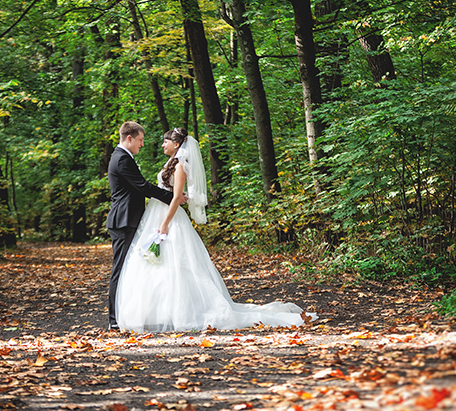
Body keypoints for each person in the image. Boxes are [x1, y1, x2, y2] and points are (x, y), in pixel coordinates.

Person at [115, 127, 317, 332]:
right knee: (161, 266)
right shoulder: (171, 163)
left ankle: (181, 311)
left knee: (177, 265)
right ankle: (158, 312)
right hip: (157, 214)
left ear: (176, 144)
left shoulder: (180, 166)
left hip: (169, 218)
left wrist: (165, 223)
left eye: (165, 141)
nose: (162, 144)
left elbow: (176, 197)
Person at [106, 121, 180, 331]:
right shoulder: (121, 159)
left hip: (128, 219)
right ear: (129, 138)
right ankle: (114, 319)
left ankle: (122, 314)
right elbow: (142, 186)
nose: (142, 144)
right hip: (123, 220)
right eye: (140, 140)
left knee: (128, 268)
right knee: (120, 269)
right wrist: (173, 197)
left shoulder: (123, 157)